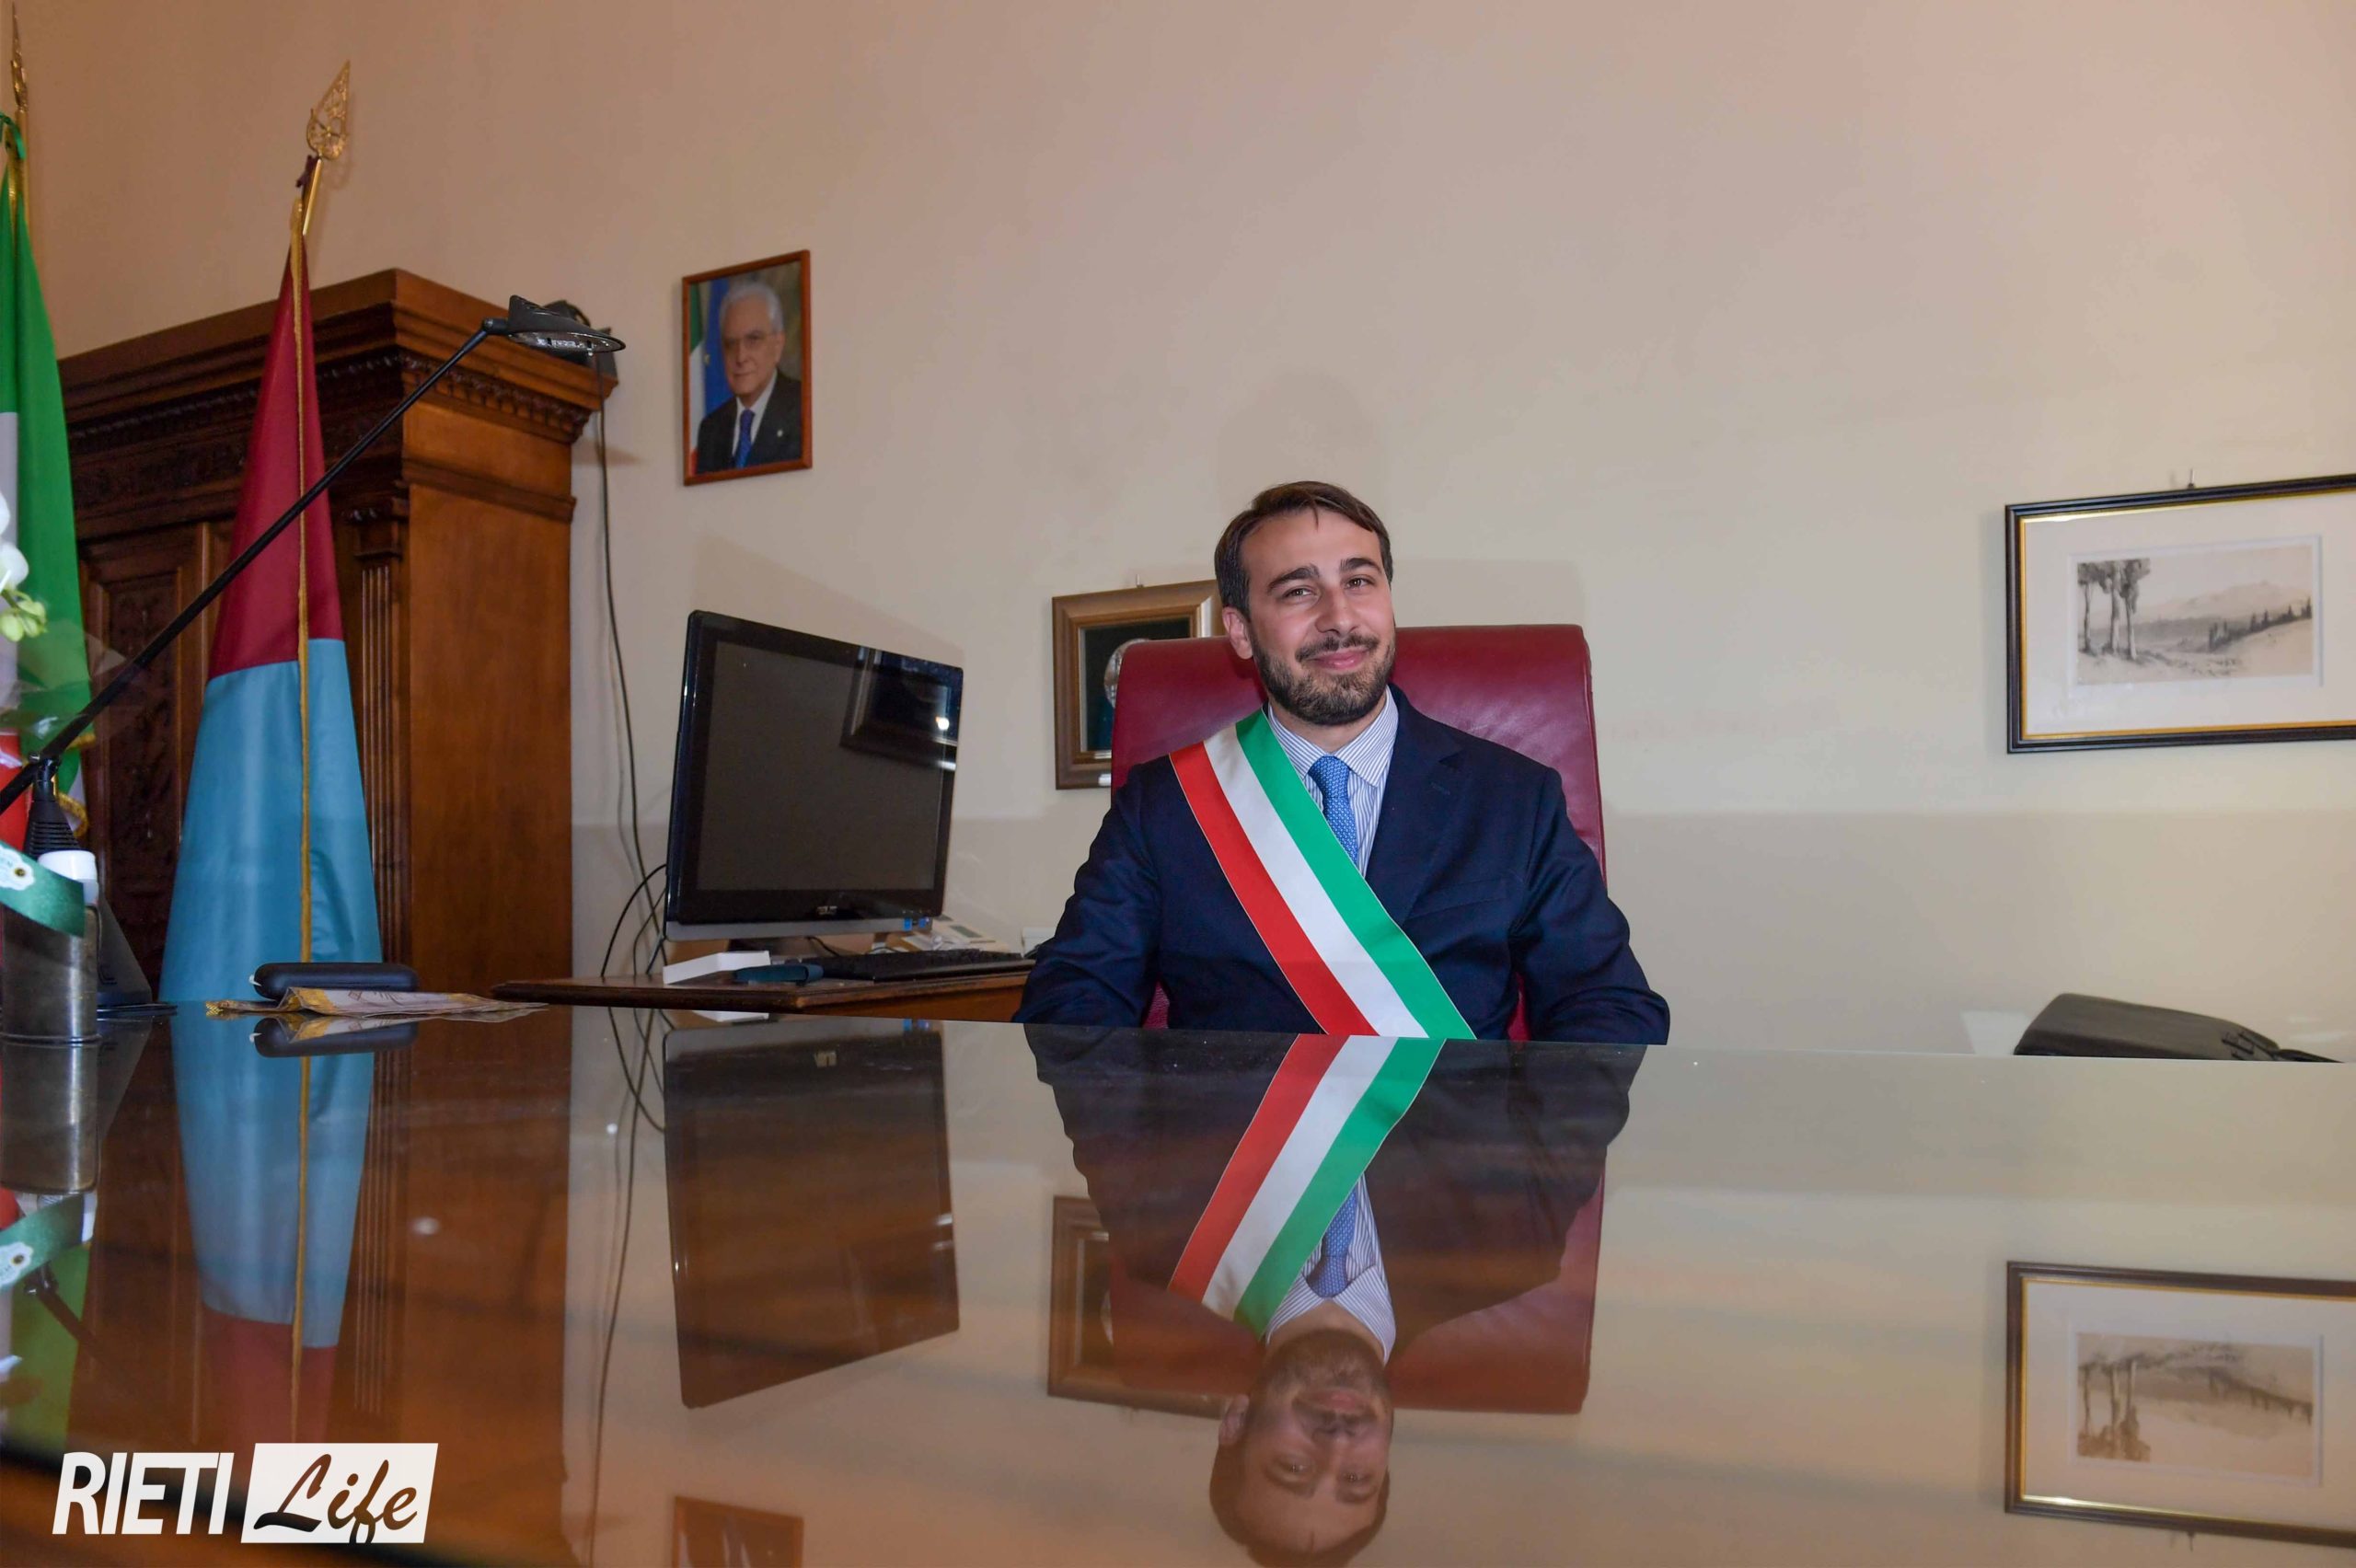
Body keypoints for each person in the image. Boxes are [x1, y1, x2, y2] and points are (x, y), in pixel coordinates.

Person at [1016, 480, 1668, 1043]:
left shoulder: (1515, 799)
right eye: (1298, 591)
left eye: (1359, 581)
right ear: (1240, 631)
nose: (1339, 618)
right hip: (1247, 1151)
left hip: (1452, 1148)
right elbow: (1071, 1001)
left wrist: (1528, 1144)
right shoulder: (1165, 806)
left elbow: (1608, 1007)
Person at [1027, 1024, 1643, 1564]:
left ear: (1236, 1420)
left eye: (1292, 1468)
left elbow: (1078, 1031)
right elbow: (1607, 1024)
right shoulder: (1512, 1245)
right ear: (1387, 1453)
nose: (1337, 1445)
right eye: (1356, 1480)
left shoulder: (1161, 1231)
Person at [692, 280, 803, 472]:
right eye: (730, 344)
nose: (740, 357)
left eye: (753, 340)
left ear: (778, 345)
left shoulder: (804, 409)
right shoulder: (711, 429)